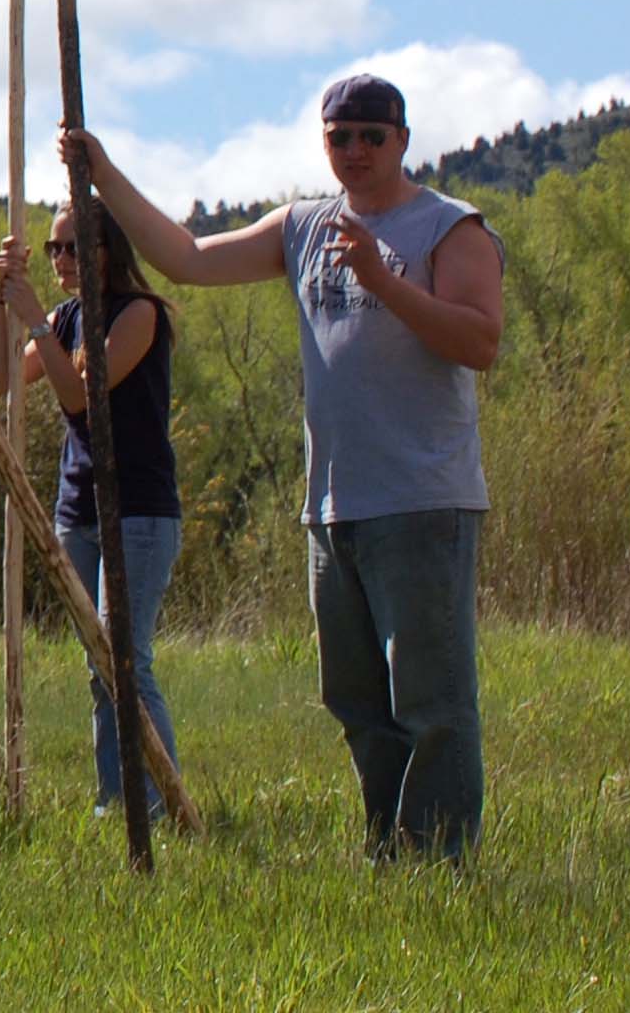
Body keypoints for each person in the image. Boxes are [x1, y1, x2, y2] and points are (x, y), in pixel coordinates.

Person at [72, 73, 503, 860]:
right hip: (334, 506)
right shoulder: (304, 226)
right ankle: (391, 855)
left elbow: (479, 341)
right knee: (356, 699)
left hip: (422, 500)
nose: (357, 151)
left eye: (373, 136)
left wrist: (383, 282)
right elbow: (190, 259)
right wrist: (102, 174)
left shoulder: (448, 229)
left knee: (432, 702)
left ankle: (441, 863)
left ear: (403, 140)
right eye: (341, 136)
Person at [0, 203, 181, 816]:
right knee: (100, 667)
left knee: (125, 659)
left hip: (139, 509)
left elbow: (80, 398)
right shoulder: (64, 317)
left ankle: (154, 802)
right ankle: (117, 800)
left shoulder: (139, 315)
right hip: (79, 508)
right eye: (54, 251)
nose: (62, 262)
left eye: (74, 248)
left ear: (110, 249)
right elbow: (5, 382)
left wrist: (37, 328)